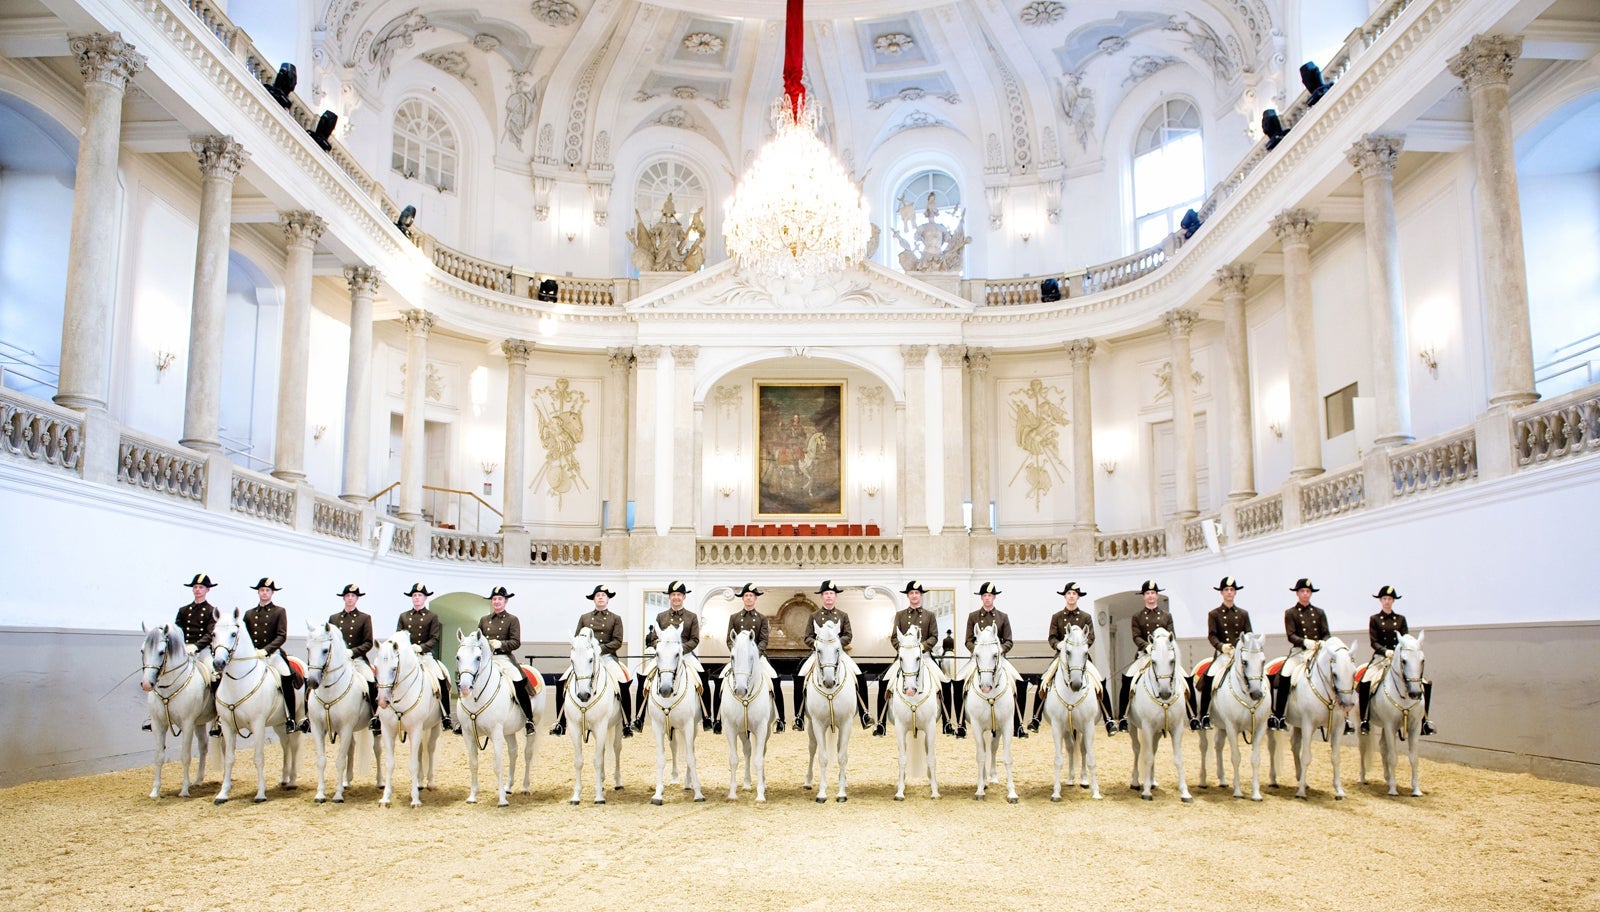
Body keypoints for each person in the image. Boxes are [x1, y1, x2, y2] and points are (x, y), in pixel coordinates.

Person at [1030, 582, 1116, 736]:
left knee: (1099, 682)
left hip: (1081, 659)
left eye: (1074, 594)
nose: (1071, 596)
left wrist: (1081, 647)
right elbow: (1052, 637)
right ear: (1065, 596)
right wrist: (1058, 645)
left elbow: (1091, 636)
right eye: (1069, 593)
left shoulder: (1085, 617)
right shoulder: (1057, 617)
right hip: (1061, 657)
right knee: (1044, 681)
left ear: (1078, 597)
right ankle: (1036, 718)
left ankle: (1108, 719)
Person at [146, 573, 222, 733]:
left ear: (207, 590)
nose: (197, 590)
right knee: (162, 669)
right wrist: (182, 647)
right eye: (195, 587)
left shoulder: (211, 611)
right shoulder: (183, 610)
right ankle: (154, 714)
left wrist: (196, 646)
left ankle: (219, 716)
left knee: (215, 675)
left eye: (201, 587)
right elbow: (176, 633)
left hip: (202, 652)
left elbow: (210, 633)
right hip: (183, 651)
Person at [1361, 585, 1437, 736]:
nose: (1387, 601)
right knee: (1366, 680)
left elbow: (1406, 640)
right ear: (1380, 600)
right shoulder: (1375, 619)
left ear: (1393, 601)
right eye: (1384, 599)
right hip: (1381, 658)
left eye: (1389, 599)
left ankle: (1424, 721)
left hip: (1400, 659)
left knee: (1423, 682)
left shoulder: (1401, 619)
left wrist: (1400, 653)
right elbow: (1374, 642)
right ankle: (1365, 719)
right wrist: (1386, 651)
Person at [795, 580, 868, 732]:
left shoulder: (843, 615)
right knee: (801, 675)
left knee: (858, 674)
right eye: (826, 594)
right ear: (822, 597)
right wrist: (817, 644)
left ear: (835, 596)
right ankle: (799, 716)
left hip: (839, 654)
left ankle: (864, 713)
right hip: (819, 654)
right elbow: (807, 637)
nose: (829, 596)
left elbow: (848, 635)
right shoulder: (814, 615)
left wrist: (836, 644)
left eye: (831, 594)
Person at [1116, 581, 1189, 732]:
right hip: (1145, 656)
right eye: (1148, 593)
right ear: (1144, 596)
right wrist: (1147, 646)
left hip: (1164, 657)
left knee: (1185, 679)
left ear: (1157, 595)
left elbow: (1172, 636)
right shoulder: (1137, 616)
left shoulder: (1166, 616)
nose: (1150, 596)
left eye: (1153, 593)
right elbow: (1136, 636)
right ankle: (1123, 717)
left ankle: (1194, 716)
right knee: (1128, 680)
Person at [1268, 578, 1333, 732]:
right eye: (1302, 591)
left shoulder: (1319, 612)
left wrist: (1323, 642)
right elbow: (1291, 635)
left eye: (1308, 591)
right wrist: (1305, 642)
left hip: (1317, 652)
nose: (1305, 594)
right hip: (1299, 652)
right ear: (1297, 593)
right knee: (1285, 674)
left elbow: (1326, 633)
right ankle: (1279, 715)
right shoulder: (1291, 613)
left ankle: (1341, 715)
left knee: (1335, 672)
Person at [640, 581, 706, 729]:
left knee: (701, 677)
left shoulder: (691, 617)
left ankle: (707, 716)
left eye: (679, 595)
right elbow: (654, 638)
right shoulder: (661, 616)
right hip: (665, 657)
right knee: (644, 677)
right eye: (673, 594)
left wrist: (680, 649)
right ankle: (639, 717)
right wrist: (662, 648)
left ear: (684, 597)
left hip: (685, 654)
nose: (676, 597)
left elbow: (695, 639)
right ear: (669, 597)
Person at [876, 581, 939, 736]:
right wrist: (903, 650)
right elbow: (894, 637)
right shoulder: (900, 615)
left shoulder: (930, 615)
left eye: (917, 593)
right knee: (885, 682)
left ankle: (948, 722)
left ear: (920, 595)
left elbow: (934, 636)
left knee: (943, 681)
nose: (914, 595)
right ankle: (881, 723)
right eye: (911, 593)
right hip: (904, 658)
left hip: (924, 656)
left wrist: (922, 647)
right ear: (908, 596)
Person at [1195, 576, 1253, 731]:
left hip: (1239, 655)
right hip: (1223, 655)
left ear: (1235, 592)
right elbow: (1212, 635)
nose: (1229, 592)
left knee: (1255, 675)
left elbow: (1249, 634)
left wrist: (1242, 647)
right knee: (1209, 677)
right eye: (1226, 590)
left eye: (1232, 590)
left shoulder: (1243, 614)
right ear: (1221, 592)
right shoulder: (1214, 614)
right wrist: (1221, 646)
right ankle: (1204, 715)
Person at [573, 584, 631, 737]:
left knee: (622, 681)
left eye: (603, 595)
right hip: (586, 658)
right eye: (597, 595)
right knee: (564, 679)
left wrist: (599, 649)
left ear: (607, 599)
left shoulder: (615, 618)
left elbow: (617, 641)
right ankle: (561, 721)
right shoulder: (585, 617)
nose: (600, 598)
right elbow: (577, 639)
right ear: (594, 599)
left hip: (607, 657)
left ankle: (626, 722)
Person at [962, 582, 1018, 738]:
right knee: (960, 681)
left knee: (1017, 680)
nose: (987, 598)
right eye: (985, 595)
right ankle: (960, 723)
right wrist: (977, 651)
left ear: (994, 597)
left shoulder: (1002, 617)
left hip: (998, 659)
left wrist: (1000, 650)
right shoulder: (973, 616)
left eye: (990, 595)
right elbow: (968, 640)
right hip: (978, 659)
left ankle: (1018, 723)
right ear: (981, 598)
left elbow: (1009, 640)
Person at [478, 586, 536, 735]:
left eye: (500, 599)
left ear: (505, 601)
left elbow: (516, 642)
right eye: (494, 599)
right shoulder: (484, 620)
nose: (496, 601)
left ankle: (529, 719)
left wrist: (501, 644)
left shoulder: (512, 619)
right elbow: (478, 640)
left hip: (504, 658)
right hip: (487, 659)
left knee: (517, 681)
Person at [396, 582, 452, 732]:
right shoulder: (404, 616)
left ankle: (446, 715)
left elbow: (435, 638)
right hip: (408, 658)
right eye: (414, 595)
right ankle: (380, 714)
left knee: (441, 678)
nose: (416, 598)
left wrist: (421, 647)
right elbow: (398, 637)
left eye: (419, 595)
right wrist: (407, 648)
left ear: (425, 598)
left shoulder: (431, 616)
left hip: (425, 656)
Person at [244, 577, 298, 730]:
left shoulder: (279, 611)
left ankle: (290, 718)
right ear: (258, 592)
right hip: (253, 656)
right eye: (262, 590)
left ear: (272, 593)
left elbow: (281, 635)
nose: (264, 592)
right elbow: (244, 636)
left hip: (273, 655)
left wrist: (266, 650)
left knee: (286, 675)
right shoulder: (249, 614)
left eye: (267, 590)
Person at [720, 582, 773, 734]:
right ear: (742, 598)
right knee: (721, 680)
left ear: (755, 598)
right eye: (746, 596)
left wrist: (755, 654)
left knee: (774, 679)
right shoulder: (734, 617)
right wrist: (736, 652)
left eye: (751, 596)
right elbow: (729, 639)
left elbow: (764, 640)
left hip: (758, 658)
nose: (749, 598)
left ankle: (781, 719)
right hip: (738, 659)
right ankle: (717, 718)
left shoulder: (762, 618)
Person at [326, 584, 379, 734]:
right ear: (344, 598)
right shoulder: (334, 618)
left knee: (370, 680)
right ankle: (311, 716)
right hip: (338, 662)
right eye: (348, 596)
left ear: (357, 599)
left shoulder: (364, 618)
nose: (350, 598)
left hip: (357, 660)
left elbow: (368, 643)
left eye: (353, 596)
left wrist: (352, 652)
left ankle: (375, 717)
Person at [938, 628, 959, 736]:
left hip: (946, 655)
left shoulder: (945, 640)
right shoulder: (953, 640)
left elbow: (943, 648)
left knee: (944, 670)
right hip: (952, 655)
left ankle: (946, 677)